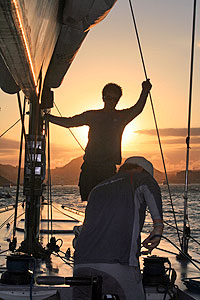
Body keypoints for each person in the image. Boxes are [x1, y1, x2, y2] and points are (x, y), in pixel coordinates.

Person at [73, 156, 163, 300]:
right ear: (141, 170)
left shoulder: (97, 189)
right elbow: (149, 186)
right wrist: (158, 227)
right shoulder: (139, 177)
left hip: (81, 264)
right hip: (117, 263)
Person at [45, 80, 152, 201]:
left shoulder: (121, 117)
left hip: (108, 170)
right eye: (108, 98)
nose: (111, 101)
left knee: (106, 204)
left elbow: (137, 109)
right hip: (89, 169)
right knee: (90, 202)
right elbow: (69, 122)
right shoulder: (92, 116)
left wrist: (145, 91)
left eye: (114, 99)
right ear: (103, 98)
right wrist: (47, 117)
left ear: (118, 100)